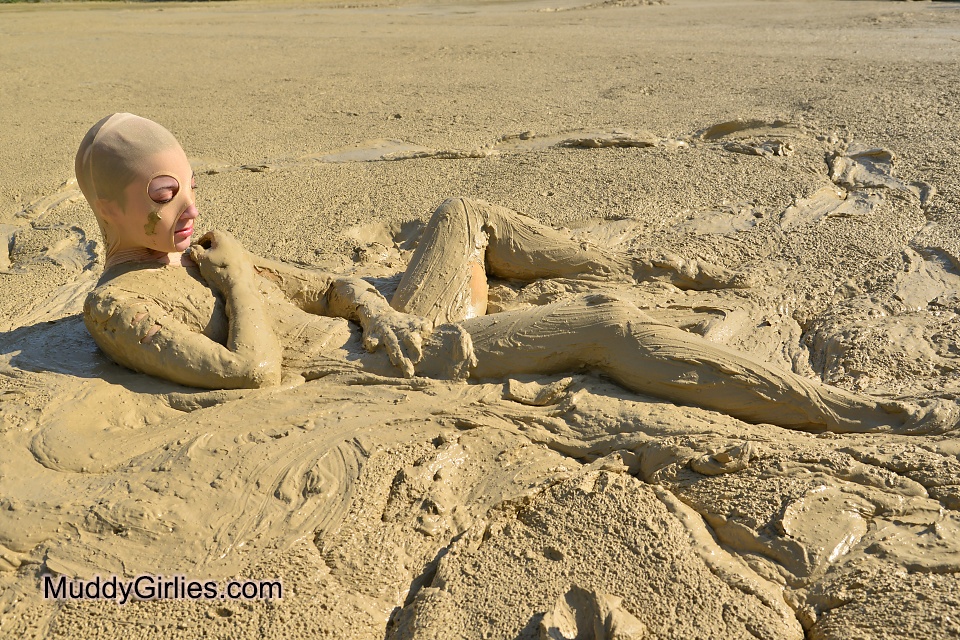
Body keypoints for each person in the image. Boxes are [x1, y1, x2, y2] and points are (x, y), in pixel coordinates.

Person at [76, 113, 956, 434]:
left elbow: (325, 285)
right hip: (389, 366)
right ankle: (852, 414)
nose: (189, 207)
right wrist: (233, 285)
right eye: (163, 195)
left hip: (386, 330)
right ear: (111, 208)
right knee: (599, 328)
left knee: (464, 213)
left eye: (191, 183)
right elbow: (249, 373)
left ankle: (644, 265)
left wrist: (373, 302)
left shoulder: (194, 246)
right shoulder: (122, 306)